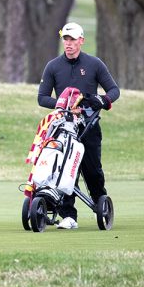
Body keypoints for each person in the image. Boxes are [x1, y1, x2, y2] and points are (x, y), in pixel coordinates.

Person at [38, 22, 120, 230]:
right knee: (65, 170)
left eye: (73, 40)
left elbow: (113, 90)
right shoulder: (53, 66)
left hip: (89, 127)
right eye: (66, 39)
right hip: (64, 127)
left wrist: (102, 100)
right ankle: (68, 216)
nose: (69, 44)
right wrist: (62, 104)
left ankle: (101, 203)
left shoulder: (94, 64)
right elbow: (42, 97)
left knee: (92, 172)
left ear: (81, 41)